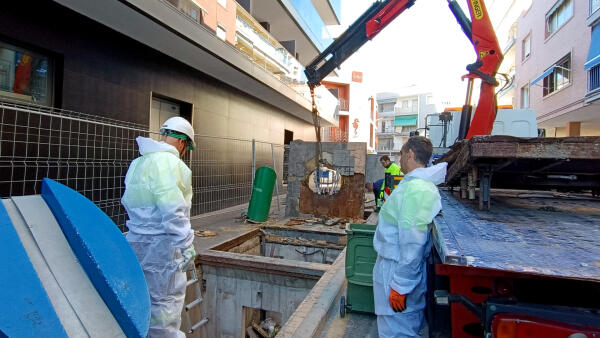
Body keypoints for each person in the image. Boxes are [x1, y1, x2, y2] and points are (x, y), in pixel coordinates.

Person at [122, 116, 197, 338]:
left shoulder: (138, 163)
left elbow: (130, 201)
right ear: (182, 143)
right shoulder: (172, 164)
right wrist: (186, 245)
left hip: (136, 242)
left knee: (140, 296)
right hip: (163, 246)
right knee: (165, 301)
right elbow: (172, 209)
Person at [372, 136, 447, 337]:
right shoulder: (416, 186)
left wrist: (401, 285)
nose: (400, 160)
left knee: (398, 332)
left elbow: (413, 241)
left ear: (410, 154)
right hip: (395, 270)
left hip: (396, 273)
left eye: (402, 154)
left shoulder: (417, 189)